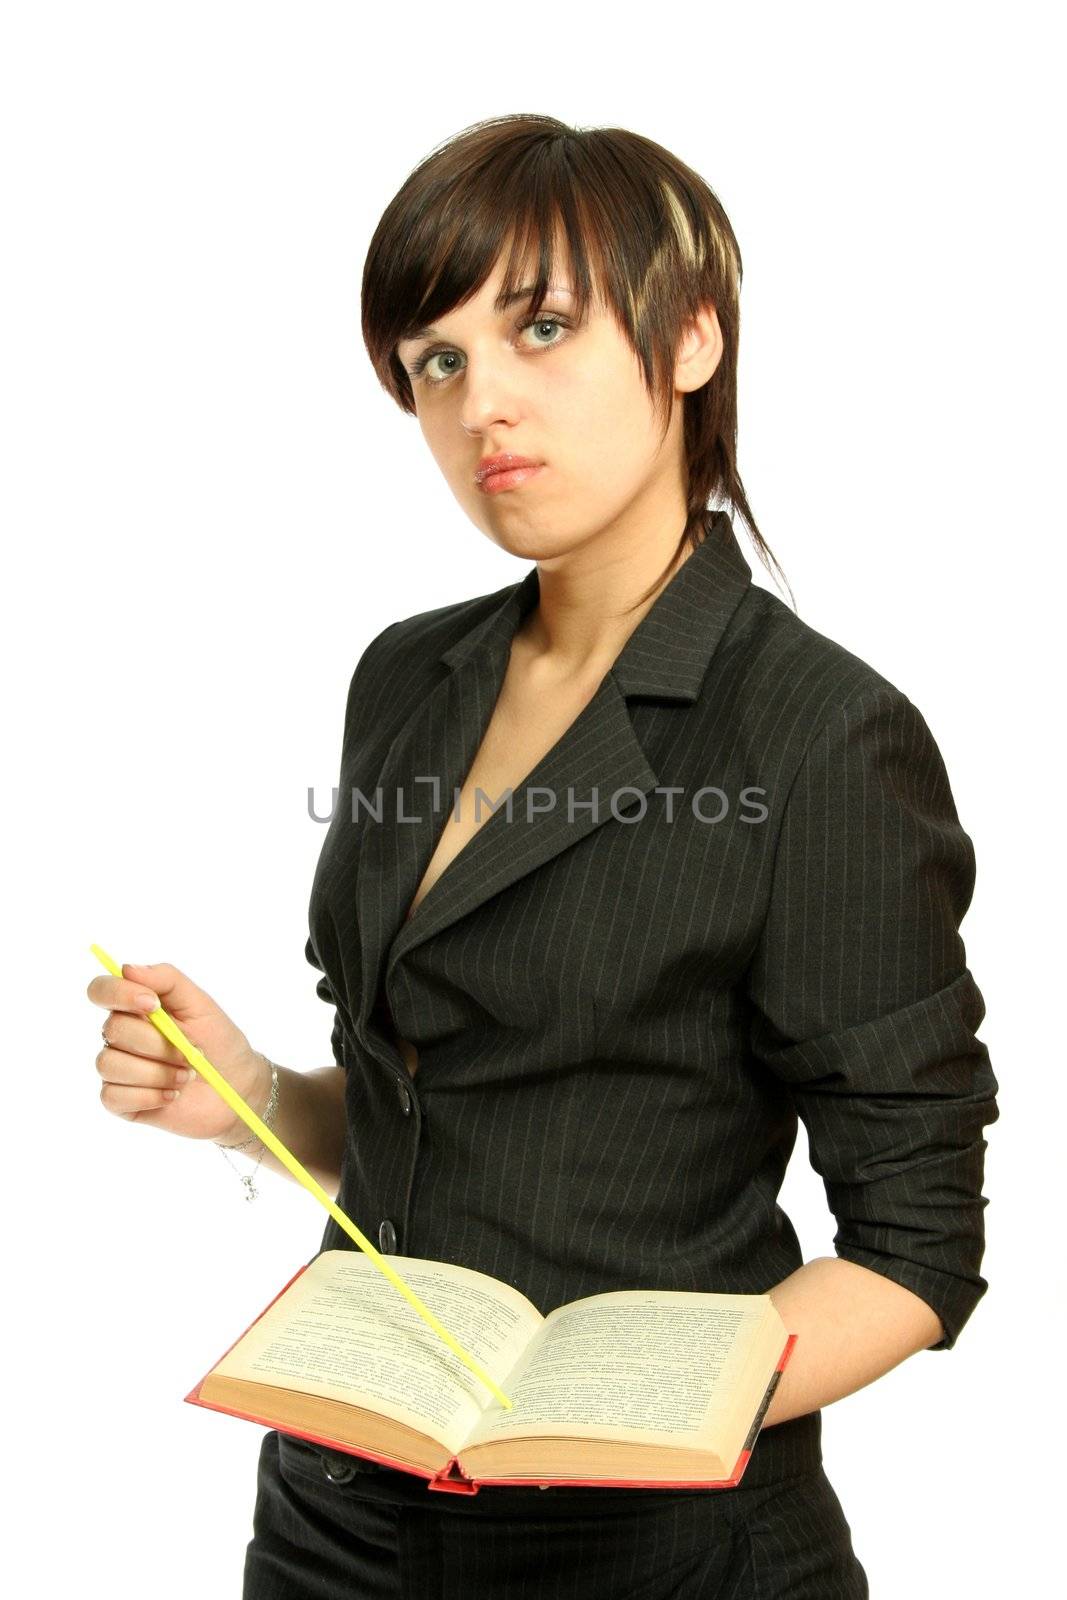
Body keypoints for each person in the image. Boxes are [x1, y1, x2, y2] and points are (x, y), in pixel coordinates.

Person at [87, 113, 999, 1598]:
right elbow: (432, 1107)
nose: (479, 407)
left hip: (646, 1546)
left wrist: (619, 1415)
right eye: (437, 362)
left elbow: (915, 1252)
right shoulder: (407, 676)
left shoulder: (822, 732)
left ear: (692, 337)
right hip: (334, 1510)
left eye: (544, 327)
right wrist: (253, 1096)